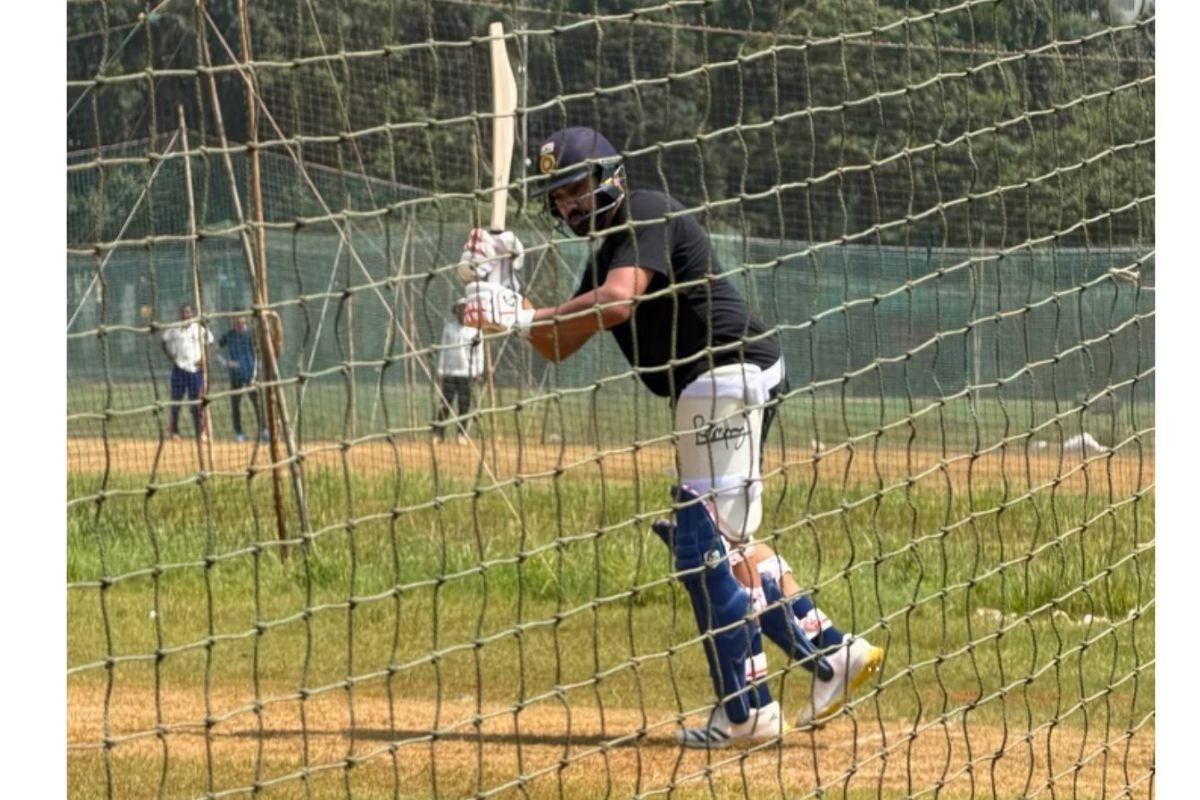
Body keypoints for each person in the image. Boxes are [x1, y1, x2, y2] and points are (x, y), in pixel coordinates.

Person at [459, 127, 884, 747]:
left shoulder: (645, 211)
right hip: (712, 384)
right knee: (729, 541)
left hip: (727, 371)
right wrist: (504, 294)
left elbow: (617, 305)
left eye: (576, 188)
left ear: (609, 177)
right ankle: (833, 654)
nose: (569, 205)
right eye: (558, 197)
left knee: (701, 542)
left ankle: (747, 713)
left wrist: (521, 311)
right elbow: (559, 342)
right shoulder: (606, 251)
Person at [432, 298, 485, 445]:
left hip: (467, 374)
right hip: (450, 372)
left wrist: (478, 372)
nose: (462, 312)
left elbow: (479, 354)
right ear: (456, 311)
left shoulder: (476, 331)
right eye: (460, 309)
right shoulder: (449, 328)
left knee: (464, 405)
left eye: (465, 309)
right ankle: (438, 434)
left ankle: (461, 434)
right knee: (445, 404)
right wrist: (440, 369)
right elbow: (443, 349)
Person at [160, 303, 213, 441]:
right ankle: (174, 432)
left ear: (192, 313)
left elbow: (210, 342)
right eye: (184, 312)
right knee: (176, 401)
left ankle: (200, 432)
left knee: (197, 403)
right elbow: (163, 341)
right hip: (179, 369)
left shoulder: (199, 329)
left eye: (188, 312)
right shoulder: (174, 328)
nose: (186, 315)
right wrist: (170, 356)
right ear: (180, 314)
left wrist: (204, 359)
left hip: (195, 370)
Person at [217, 316, 267, 443]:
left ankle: (264, 430)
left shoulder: (251, 335)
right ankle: (238, 433)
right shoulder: (229, 335)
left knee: (257, 404)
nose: (238, 323)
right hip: (236, 376)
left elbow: (259, 354)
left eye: (241, 321)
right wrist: (225, 363)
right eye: (236, 321)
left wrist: (256, 374)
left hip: (251, 375)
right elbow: (213, 349)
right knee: (236, 405)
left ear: (244, 321)